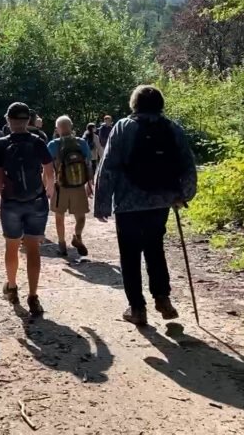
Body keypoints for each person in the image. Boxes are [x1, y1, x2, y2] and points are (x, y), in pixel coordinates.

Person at [94, 85, 198, 326]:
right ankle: (162, 297)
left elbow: (108, 166)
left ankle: (137, 308)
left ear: (134, 104)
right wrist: (184, 194)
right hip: (160, 201)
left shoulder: (123, 127)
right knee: (155, 248)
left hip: (128, 202)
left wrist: (101, 205)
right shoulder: (172, 128)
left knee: (129, 255)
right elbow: (187, 164)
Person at [0, 102, 55, 316]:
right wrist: (47, 191)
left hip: (11, 202)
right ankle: (33, 296)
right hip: (36, 200)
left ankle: (12, 287)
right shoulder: (38, 141)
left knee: (11, 246)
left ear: (8, 120)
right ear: (28, 120)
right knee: (33, 249)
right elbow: (49, 171)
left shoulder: (1, 143)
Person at [47, 116, 93, 260]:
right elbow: (88, 164)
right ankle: (77, 235)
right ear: (71, 127)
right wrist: (89, 184)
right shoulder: (81, 142)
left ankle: (62, 245)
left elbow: (46, 167)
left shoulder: (54, 144)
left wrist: (48, 185)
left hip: (61, 187)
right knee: (80, 217)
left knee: (59, 216)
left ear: (57, 129)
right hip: (79, 186)